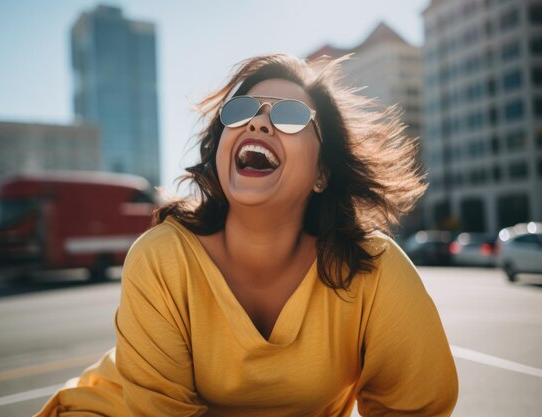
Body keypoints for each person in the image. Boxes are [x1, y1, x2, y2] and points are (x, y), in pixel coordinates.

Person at [36, 53, 458, 417]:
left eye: (290, 116)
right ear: (221, 148)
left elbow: (415, 407)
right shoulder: (161, 257)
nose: (258, 122)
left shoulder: (374, 270)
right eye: (242, 111)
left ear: (322, 174)